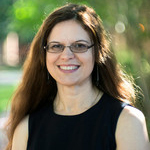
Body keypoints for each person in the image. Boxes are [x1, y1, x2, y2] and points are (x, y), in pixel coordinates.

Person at [5, 3, 149, 150]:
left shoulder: (128, 122)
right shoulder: (26, 129)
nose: (67, 55)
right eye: (56, 46)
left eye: (79, 46)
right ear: (44, 55)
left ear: (98, 53)